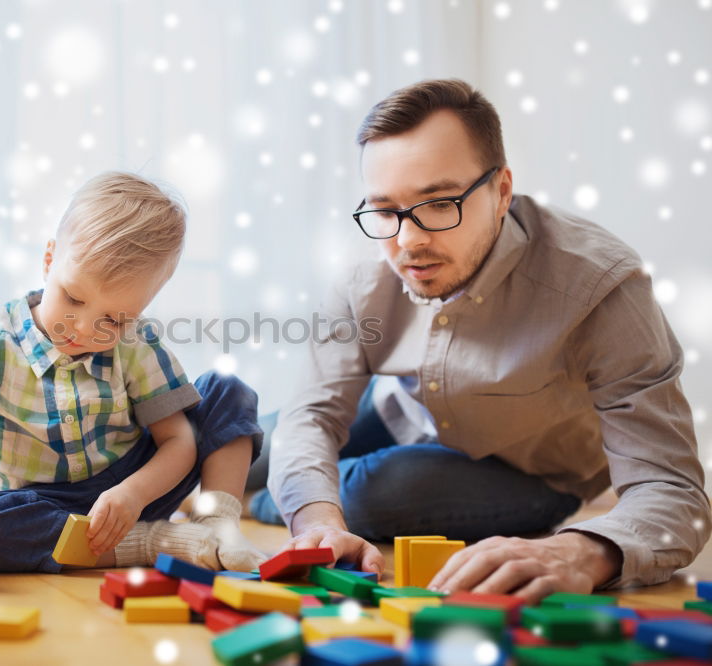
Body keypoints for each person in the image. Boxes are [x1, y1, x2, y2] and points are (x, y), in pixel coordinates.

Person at [249, 78, 710, 600]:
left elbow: (674, 491)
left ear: (502, 192)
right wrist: (316, 522)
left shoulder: (601, 286)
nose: (408, 241)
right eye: (385, 210)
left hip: (529, 470)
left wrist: (582, 551)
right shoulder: (365, 269)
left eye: (440, 203)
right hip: (406, 409)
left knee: (373, 493)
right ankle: (266, 489)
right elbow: (311, 415)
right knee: (248, 440)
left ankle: (262, 497)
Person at [0, 172, 266, 573]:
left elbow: (178, 441)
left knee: (227, 390)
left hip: (138, 486)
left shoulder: (136, 343)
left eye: (116, 319)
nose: (86, 328)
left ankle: (217, 528)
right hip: (46, 508)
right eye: (73, 298)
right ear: (49, 260)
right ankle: (156, 542)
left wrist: (134, 493)